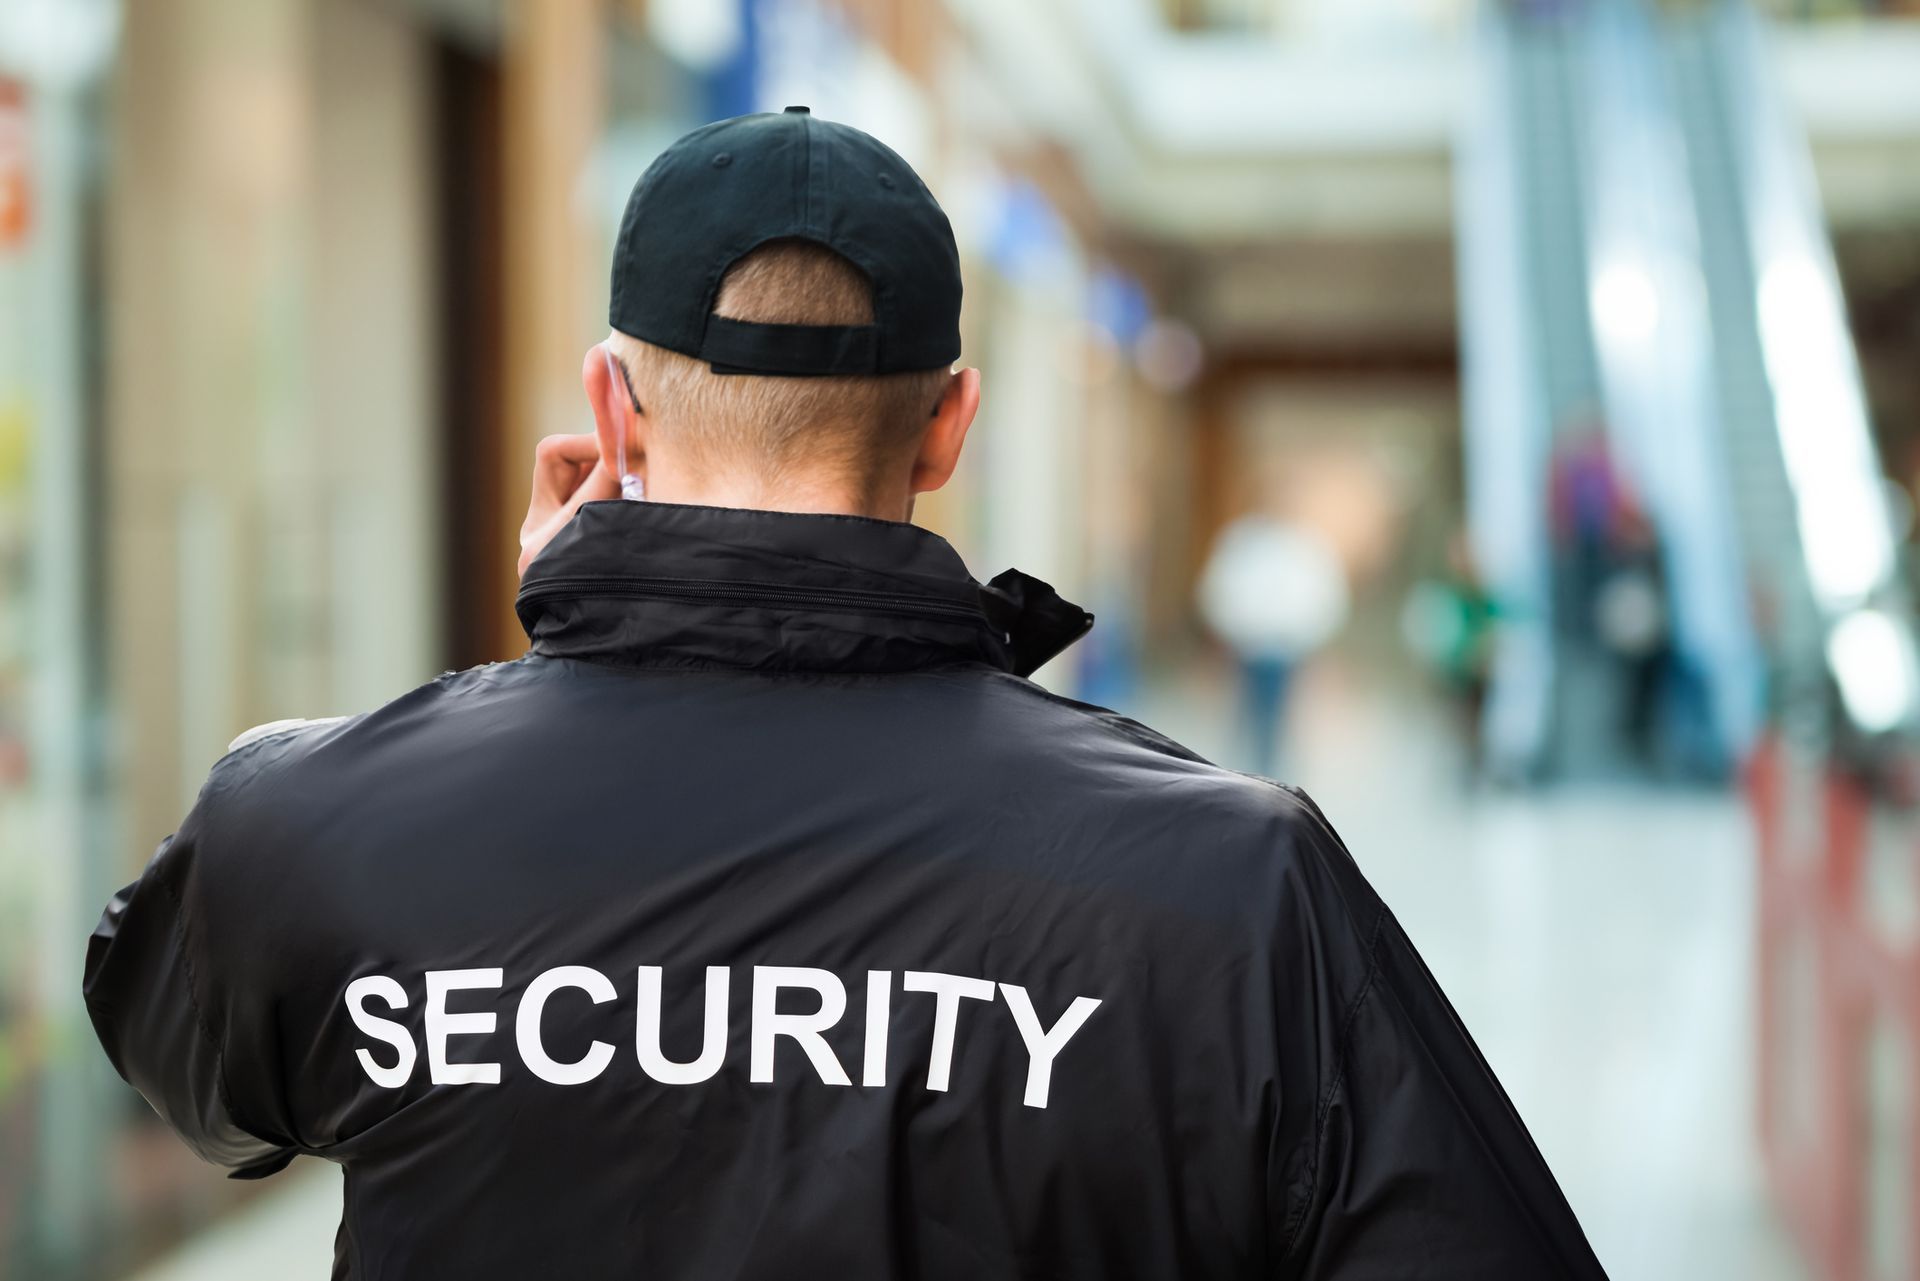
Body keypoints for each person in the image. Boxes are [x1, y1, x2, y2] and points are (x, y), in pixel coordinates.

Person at [82, 108, 1607, 1279]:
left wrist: (563, 661)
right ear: (949, 426)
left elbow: (192, 1075)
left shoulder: (319, 823)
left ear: (612, 403)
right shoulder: (1230, 884)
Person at [1198, 507, 1349, 773]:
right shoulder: (1244, 541)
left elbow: (1321, 595)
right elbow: (1221, 588)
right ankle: (1244, 773)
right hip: (1248, 644)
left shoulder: (1303, 543)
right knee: (1245, 713)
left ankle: (1265, 773)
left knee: (1273, 717)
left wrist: (1306, 635)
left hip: (1285, 647)